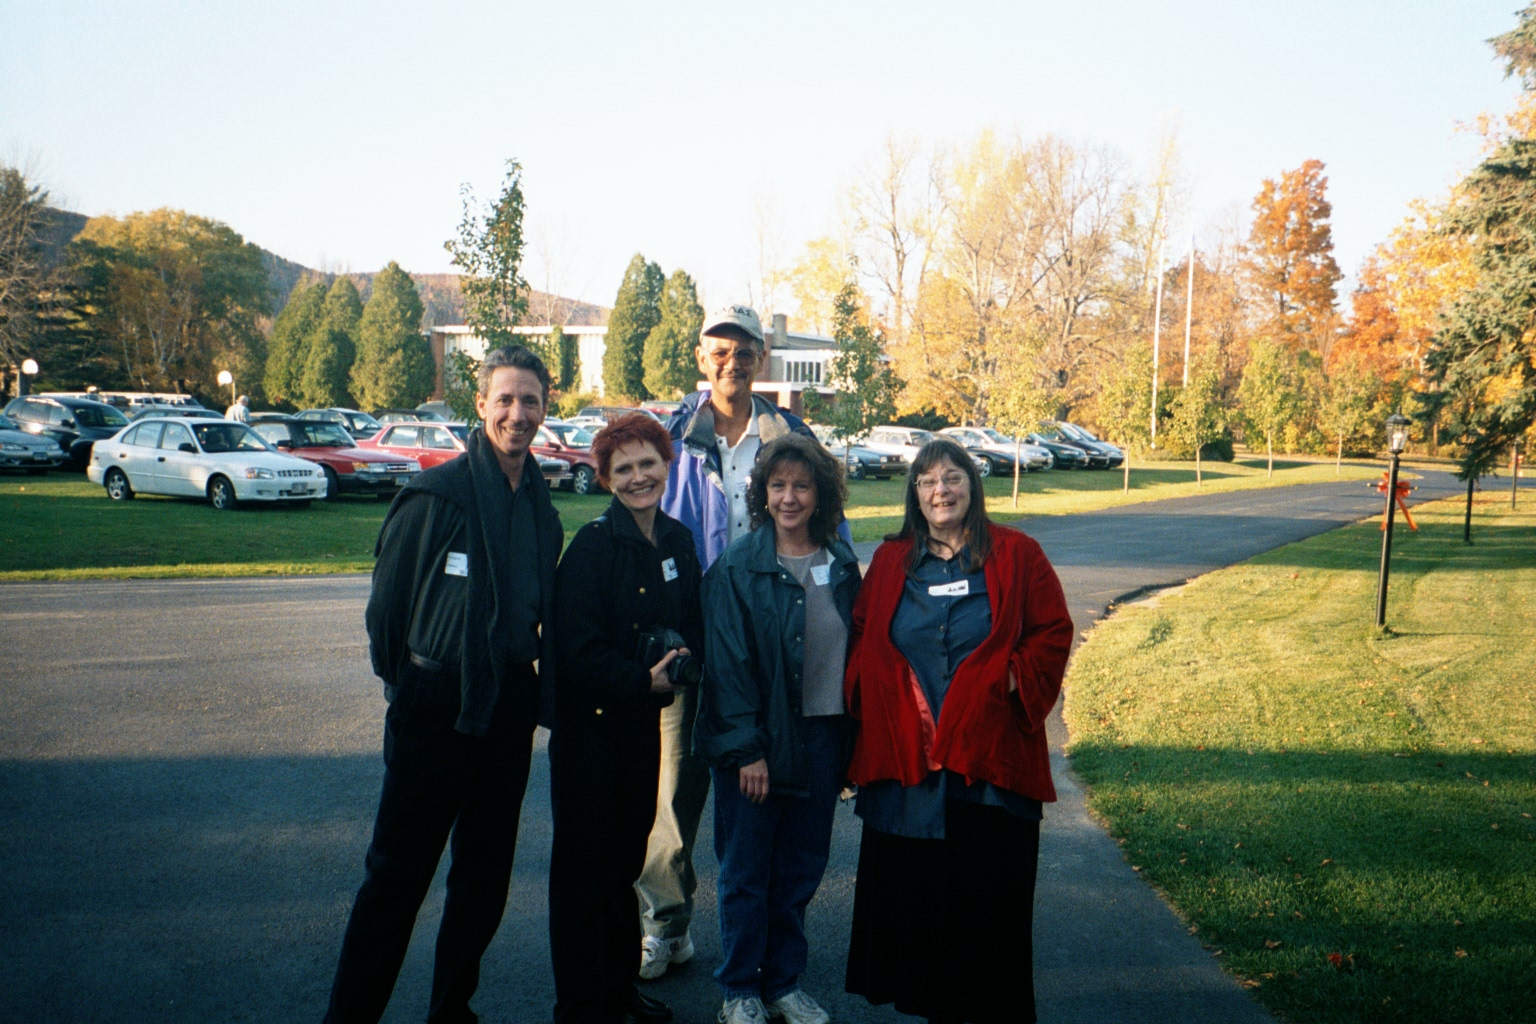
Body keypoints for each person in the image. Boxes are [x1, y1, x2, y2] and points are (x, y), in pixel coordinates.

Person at [322, 346, 562, 1024]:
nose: (519, 413)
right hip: (433, 710)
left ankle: (451, 1009)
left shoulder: (544, 513)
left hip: (508, 711)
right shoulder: (435, 496)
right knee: (395, 882)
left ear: (547, 410)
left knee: (482, 883)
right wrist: (413, 689)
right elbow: (386, 616)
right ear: (481, 406)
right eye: (506, 399)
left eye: (532, 400)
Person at [638, 303, 846, 980]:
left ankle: (760, 950)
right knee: (674, 789)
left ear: (762, 359)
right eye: (719, 351)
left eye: (745, 351)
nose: (733, 362)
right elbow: (641, 528)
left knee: (756, 793)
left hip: (768, 645)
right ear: (701, 357)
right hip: (685, 640)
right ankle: (666, 926)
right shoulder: (672, 434)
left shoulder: (789, 433)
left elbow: (827, 529)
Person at [842, 438, 1074, 1024]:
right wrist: (879, 697)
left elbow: (1052, 630)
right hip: (910, 771)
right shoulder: (893, 561)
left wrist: (1010, 683)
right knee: (920, 915)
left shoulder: (1019, 554)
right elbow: (864, 633)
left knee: (986, 910)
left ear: (973, 486)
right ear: (914, 495)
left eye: (951, 479)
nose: (939, 491)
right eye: (926, 482)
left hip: (991, 766)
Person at [694, 434, 861, 1024]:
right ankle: (740, 990)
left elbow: (857, 658)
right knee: (746, 872)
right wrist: (746, 751)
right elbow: (727, 665)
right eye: (778, 485)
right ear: (762, 493)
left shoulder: (840, 563)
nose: (789, 497)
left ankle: (784, 983)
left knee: (799, 872)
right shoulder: (738, 566)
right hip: (757, 747)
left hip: (821, 741)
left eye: (802, 485)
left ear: (822, 493)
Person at [548, 414, 703, 1024]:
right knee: (583, 878)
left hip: (642, 733)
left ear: (667, 466)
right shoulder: (590, 548)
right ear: (606, 477)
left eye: (648, 464)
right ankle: (580, 1006)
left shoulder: (677, 541)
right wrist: (638, 679)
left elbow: (690, 619)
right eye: (625, 468)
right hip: (589, 738)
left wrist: (684, 654)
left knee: (622, 871)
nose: (639, 477)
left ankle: (616, 992)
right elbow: (573, 652)